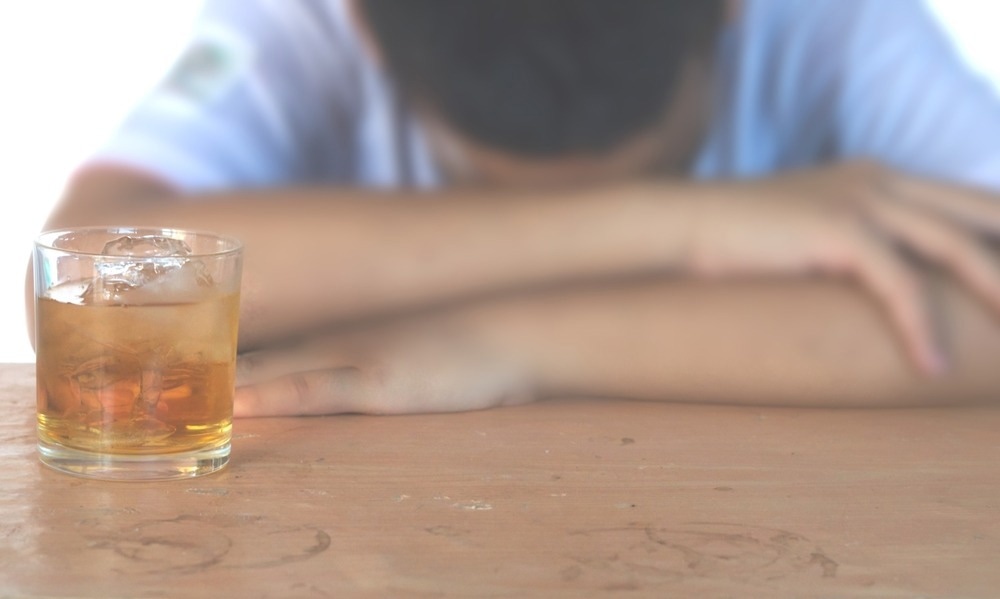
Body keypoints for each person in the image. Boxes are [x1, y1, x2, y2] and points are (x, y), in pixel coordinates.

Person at [29, 0, 1000, 416]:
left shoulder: (843, 26)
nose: (578, 204)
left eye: (638, 167)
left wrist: (498, 340)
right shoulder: (300, 24)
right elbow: (87, 285)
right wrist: (678, 221)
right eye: (486, 177)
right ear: (360, 27)